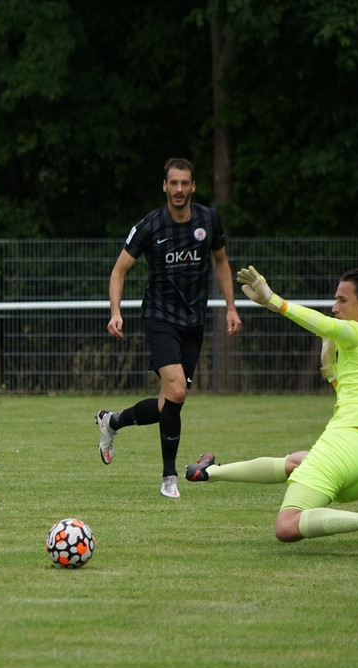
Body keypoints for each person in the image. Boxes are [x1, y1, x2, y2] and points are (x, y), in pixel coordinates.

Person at [185, 266, 358, 542]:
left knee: (287, 526)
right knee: (296, 461)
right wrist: (331, 373)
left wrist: (274, 301)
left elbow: (323, 324)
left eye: (341, 300)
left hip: (345, 445)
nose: (334, 308)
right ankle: (208, 472)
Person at [97, 157, 242, 499]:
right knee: (177, 392)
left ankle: (111, 421)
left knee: (168, 404)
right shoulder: (150, 226)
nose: (178, 189)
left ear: (193, 186)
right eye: (173, 183)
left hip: (194, 322)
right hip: (159, 318)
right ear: (164, 186)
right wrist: (115, 311)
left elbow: (221, 262)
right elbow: (119, 271)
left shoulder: (208, 220)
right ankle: (168, 477)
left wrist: (231, 307)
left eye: (184, 183)